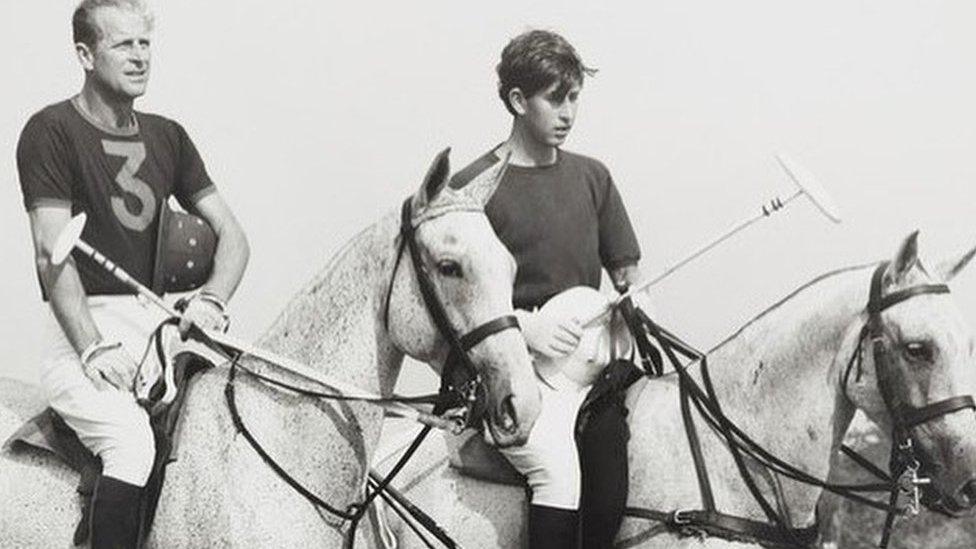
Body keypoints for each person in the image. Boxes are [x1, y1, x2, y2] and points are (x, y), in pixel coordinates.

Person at [15, 1, 249, 547]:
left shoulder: (170, 136)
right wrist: (93, 348)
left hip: (161, 326)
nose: (140, 56)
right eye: (123, 45)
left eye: (145, 43)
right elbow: (54, 255)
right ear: (85, 54)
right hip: (82, 330)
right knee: (130, 443)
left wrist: (211, 299)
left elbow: (233, 238)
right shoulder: (50, 130)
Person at [450, 29, 643, 549]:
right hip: (516, 374)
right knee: (558, 472)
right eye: (555, 98)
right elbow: (453, 300)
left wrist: (631, 304)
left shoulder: (593, 177)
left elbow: (627, 274)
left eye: (574, 97)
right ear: (517, 100)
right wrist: (525, 328)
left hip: (594, 370)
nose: (568, 113)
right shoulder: (471, 188)